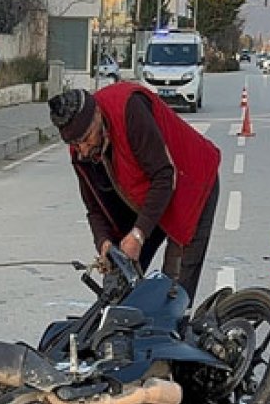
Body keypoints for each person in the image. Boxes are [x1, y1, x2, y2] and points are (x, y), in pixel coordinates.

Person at [47, 84, 221, 302]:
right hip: (146, 198)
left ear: (97, 115)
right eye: (74, 143)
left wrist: (138, 234)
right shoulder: (81, 152)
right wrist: (105, 243)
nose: (82, 149)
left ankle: (177, 330)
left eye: (85, 138)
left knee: (173, 292)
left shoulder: (129, 109)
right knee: (118, 283)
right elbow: (94, 208)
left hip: (190, 183)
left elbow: (164, 175)